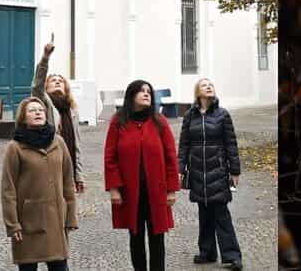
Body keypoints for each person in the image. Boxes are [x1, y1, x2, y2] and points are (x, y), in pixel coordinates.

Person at [104, 80, 180, 271]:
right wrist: (114, 188)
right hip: (130, 191)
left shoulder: (159, 121)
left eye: (149, 91)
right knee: (135, 236)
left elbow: (171, 156)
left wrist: (171, 190)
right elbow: (110, 157)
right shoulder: (118, 121)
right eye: (141, 91)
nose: (146, 94)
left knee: (157, 236)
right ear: (131, 95)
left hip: (156, 190)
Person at [1, 97, 79, 271]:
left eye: (41, 110)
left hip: (56, 221)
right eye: (32, 110)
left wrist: (71, 215)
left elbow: (68, 181)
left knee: (59, 266)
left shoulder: (58, 142)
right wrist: (13, 224)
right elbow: (8, 189)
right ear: (23, 117)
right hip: (28, 222)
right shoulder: (15, 147)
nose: (37, 112)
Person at [179, 79, 244, 270]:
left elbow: (231, 143)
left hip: (218, 170)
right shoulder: (190, 116)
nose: (208, 87)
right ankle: (207, 252)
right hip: (198, 171)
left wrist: (235, 170)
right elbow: (184, 145)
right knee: (204, 212)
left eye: (211, 85)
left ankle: (232, 256)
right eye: (204, 84)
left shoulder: (223, 115)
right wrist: (180, 168)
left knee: (221, 213)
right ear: (197, 92)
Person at [30, 41, 84, 193]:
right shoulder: (44, 104)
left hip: (68, 166)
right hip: (48, 165)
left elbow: (77, 146)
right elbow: (37, 85)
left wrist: (79, 175)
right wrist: (45, 57)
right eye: (53, 81)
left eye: (61, 81)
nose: (58, 82)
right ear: (46, 88)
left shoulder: (72, 112)